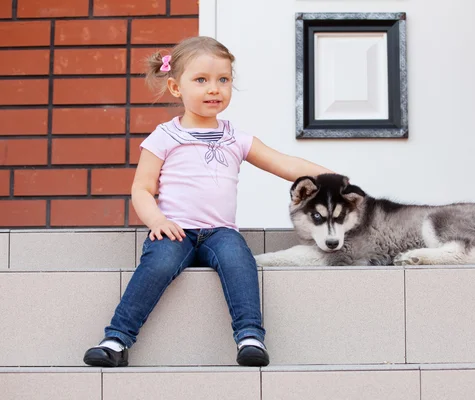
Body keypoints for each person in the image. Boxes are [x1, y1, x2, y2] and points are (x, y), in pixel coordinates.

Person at [83, 36, 333, 368]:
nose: (214, 88)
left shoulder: (236, 138)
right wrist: (157, 221)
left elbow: (285, 164)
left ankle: (250, 338)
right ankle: (116, 340)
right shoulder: (164, 137)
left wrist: (332, 179)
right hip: (175, 230)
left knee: (239, 261)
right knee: (156, 265)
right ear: (176, 88)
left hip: (220, 232)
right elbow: (141, 189)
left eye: (223, 80)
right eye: (201, 80)